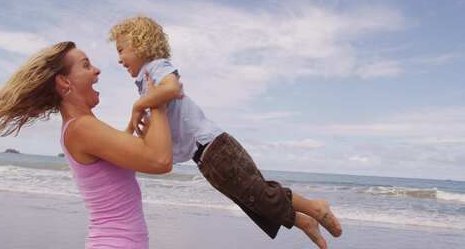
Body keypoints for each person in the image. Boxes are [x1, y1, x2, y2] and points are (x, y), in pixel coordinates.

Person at [109, 16, 342, 249]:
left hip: (214, 147)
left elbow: (173, 88)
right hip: (203, 157)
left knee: (258, 193)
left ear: (141, 45)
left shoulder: (156, 66)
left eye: (121, 50)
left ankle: (314, 208)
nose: (119, 59)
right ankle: (303, 221)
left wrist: (138, 107)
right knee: (250, 199)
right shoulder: (145, 86)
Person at [0, 41, 174, 249]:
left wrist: (134, 123)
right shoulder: (81, 129)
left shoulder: (80, 128)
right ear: (64, 82)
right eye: (86, 65)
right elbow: (160, 161)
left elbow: (125, 162)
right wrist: (156, 99)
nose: (96, 70)